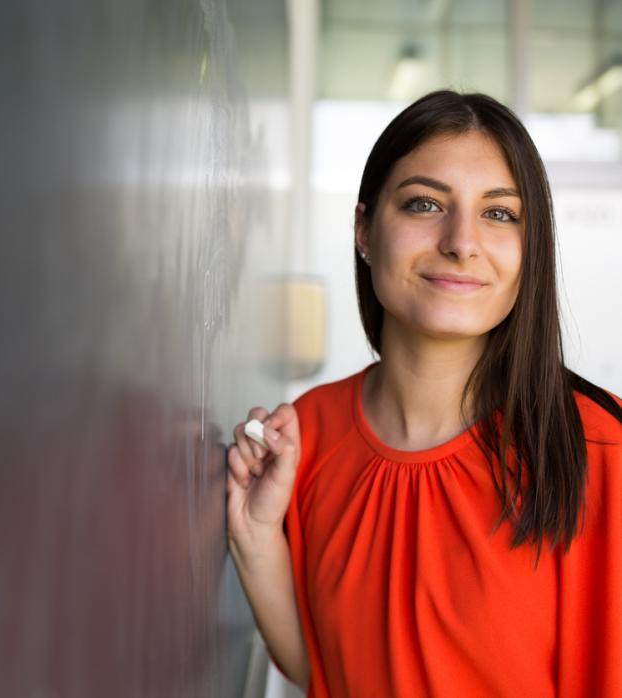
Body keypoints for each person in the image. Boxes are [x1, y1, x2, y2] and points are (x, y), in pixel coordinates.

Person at [226, 90, 622, 697]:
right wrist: (256, 537)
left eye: (499, 214)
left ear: (530, 248)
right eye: (425, 203)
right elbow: (324, 671)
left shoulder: (599, 450)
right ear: (364, 230)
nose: (461, 241)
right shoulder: (308, 434)